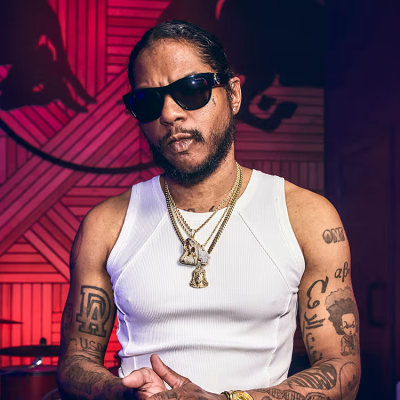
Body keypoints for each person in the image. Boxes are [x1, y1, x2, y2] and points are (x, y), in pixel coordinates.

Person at [57, 20, 360, 400]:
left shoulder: (307, 217)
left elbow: (342, 369)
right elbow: (74, 363)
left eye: (191, 90)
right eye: (148, 102)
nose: (169, 114)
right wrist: (122, 393)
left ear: (233, 94)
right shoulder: (106, 224)